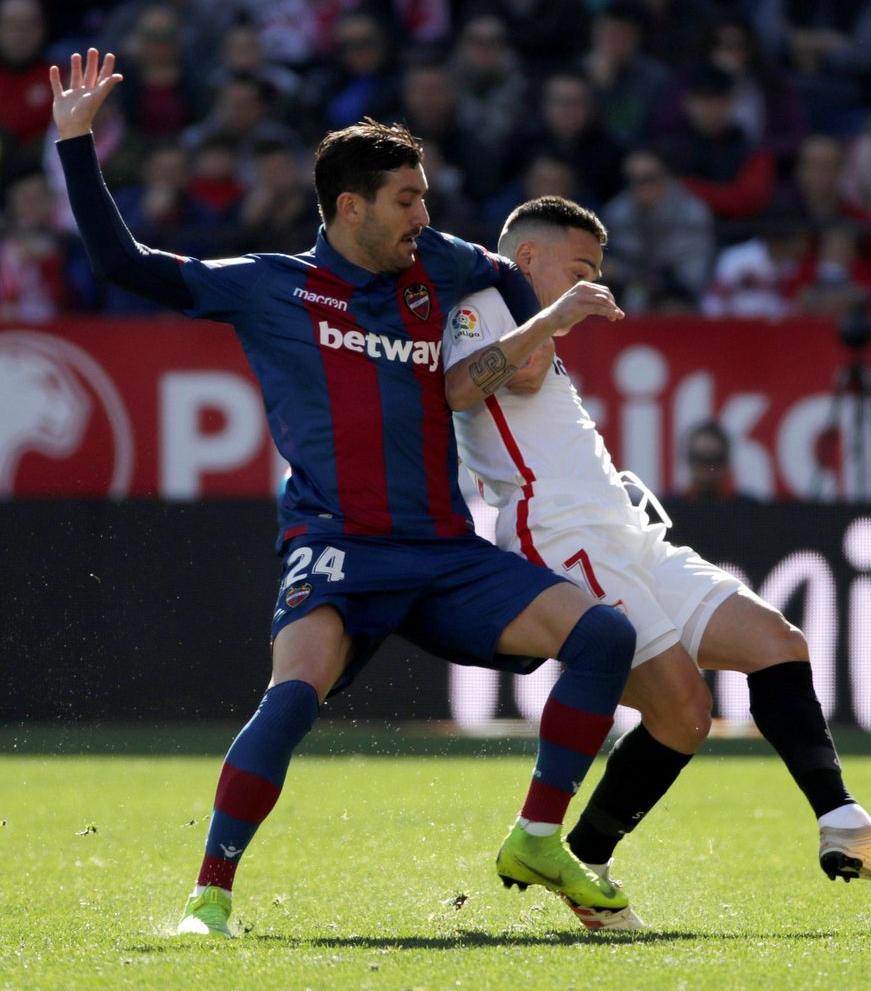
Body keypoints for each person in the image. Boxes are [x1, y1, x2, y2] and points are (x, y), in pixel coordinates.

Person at [49, 49, 640, 938]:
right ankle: (209, 896)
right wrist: (75, 144)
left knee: (604, 634)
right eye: (407, 199)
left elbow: (504, 272)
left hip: (443, 551)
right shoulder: (266, 287)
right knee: (293, 694)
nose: (423, 215)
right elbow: (122, 262)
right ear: (350, 205)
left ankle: (538, 836)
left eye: (427, 198)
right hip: (338, 548)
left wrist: (530, 337)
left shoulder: (435, 265)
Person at [442, 195, 871, 930]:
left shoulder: (538, 323)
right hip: (559, 533)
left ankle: (839, 819)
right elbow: (461, 387)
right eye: (580, 265)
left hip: (626, 530)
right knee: (685, 711)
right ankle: (574, 860)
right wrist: (552, 318)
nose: (594, 281)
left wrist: (554, 320)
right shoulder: (482, 304)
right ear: (528, 259)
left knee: (777, 644)